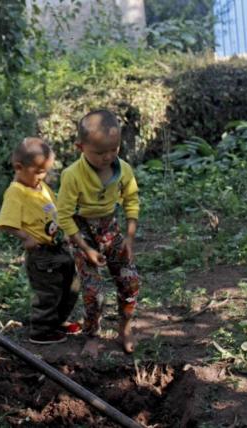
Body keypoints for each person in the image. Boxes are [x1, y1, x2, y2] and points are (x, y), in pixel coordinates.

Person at [56, 110, 141, 354]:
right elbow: (64, 215)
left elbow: (131, 200)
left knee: (130, 281)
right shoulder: (72, 175)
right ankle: (91, 334)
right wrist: (85, 249)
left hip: (110, 229)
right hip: (81, 232)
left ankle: (124, 327)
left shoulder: (123, 170)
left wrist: (130, 236)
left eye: (113, 150)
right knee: (94, 292)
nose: (107, 157)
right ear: (80, 147)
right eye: (99, 152)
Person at [0, 137, 81, 345]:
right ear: (19, 167)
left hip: (58, 247)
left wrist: (68, 230)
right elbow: (6, 222)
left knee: (71, 284)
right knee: (49, 291)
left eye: (46, 171)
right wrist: (26, 237)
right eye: (39, 171)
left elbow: (56, 207)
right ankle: (42, 330)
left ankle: (58, 321)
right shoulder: (16, 192)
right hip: (42, 254)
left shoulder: (41, 186)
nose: (43, 176)